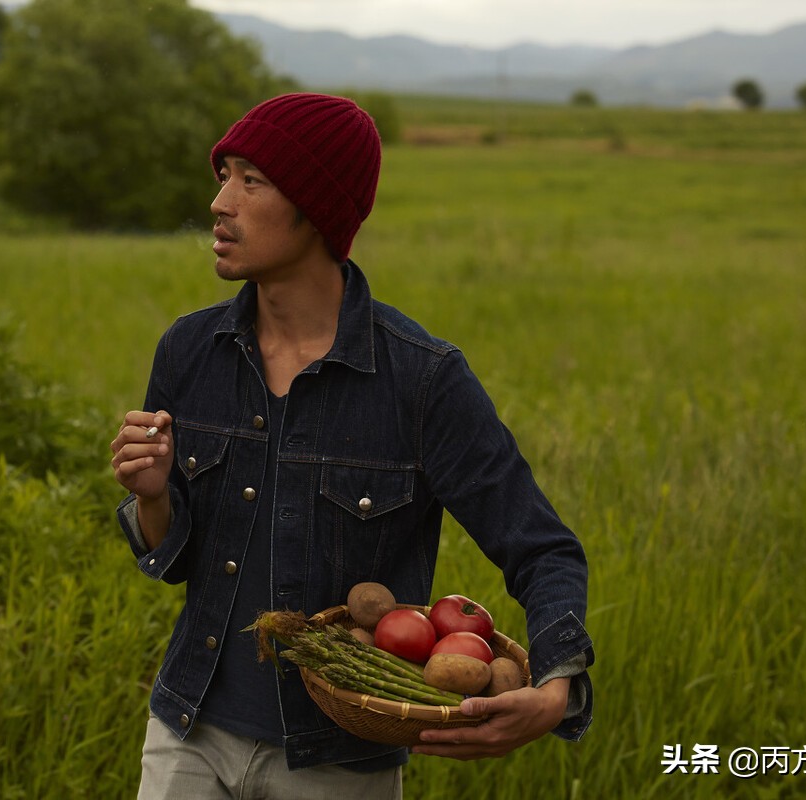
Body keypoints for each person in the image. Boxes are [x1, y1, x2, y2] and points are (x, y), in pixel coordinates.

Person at [110, 93, 593, 799]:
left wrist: (556, 690)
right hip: (189, 734)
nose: (220, 202)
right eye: (224, 177)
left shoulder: (422, 379)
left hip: (337, 761)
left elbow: (540, 547)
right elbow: (175, 558)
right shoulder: (190, 350)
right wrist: (152, 496)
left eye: (251, 181)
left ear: (317, 206)